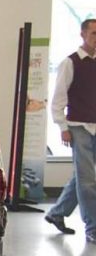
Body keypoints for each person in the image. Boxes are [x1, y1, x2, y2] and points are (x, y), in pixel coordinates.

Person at [49, 18, 96, 243]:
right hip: (78, 127)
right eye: (94, 33)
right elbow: (59, 98)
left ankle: (56, 213)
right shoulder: (70, 63)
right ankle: (93, 228)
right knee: (88, 180)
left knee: (82, 176)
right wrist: (62, 126)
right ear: (83, 34)